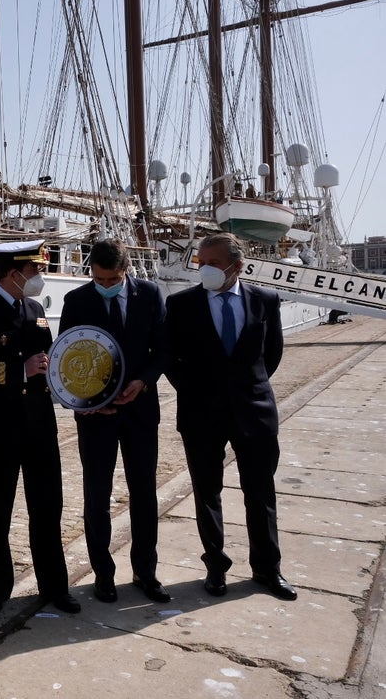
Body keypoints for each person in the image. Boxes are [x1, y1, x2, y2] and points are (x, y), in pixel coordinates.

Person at [165, 232, 297, 601]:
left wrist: (246, 388)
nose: (205, 269)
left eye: (214, 263)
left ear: (237, 266)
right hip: (201, 413)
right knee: (207, 492)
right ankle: (215, 567)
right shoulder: (181, 304)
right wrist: (195, 392)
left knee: (260, 491)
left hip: (254, 410)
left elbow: (271, 354)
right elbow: (171, 359)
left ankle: (267, 568)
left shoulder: (265, 300)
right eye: (201, 263)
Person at [0, 239, 81, 615]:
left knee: (48, 506)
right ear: (13, 274)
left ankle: (54, 586)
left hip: (39, 423)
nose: (39, 275)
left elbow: (45, 356)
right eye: (34, 270)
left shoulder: (35, 308)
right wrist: (17, 371)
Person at [59, 239, 170, 604]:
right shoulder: (77, 300)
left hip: (140, 410)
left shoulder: (150, 295)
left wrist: (143, 382)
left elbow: (162, 350)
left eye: (112, 280)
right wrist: (85, 404)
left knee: (144, 494)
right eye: (99, 280)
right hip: (96, 416)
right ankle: (102, 574)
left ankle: (145, 572)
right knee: (97, 496)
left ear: (126, 270)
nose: (105, 286)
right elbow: (66, 357)